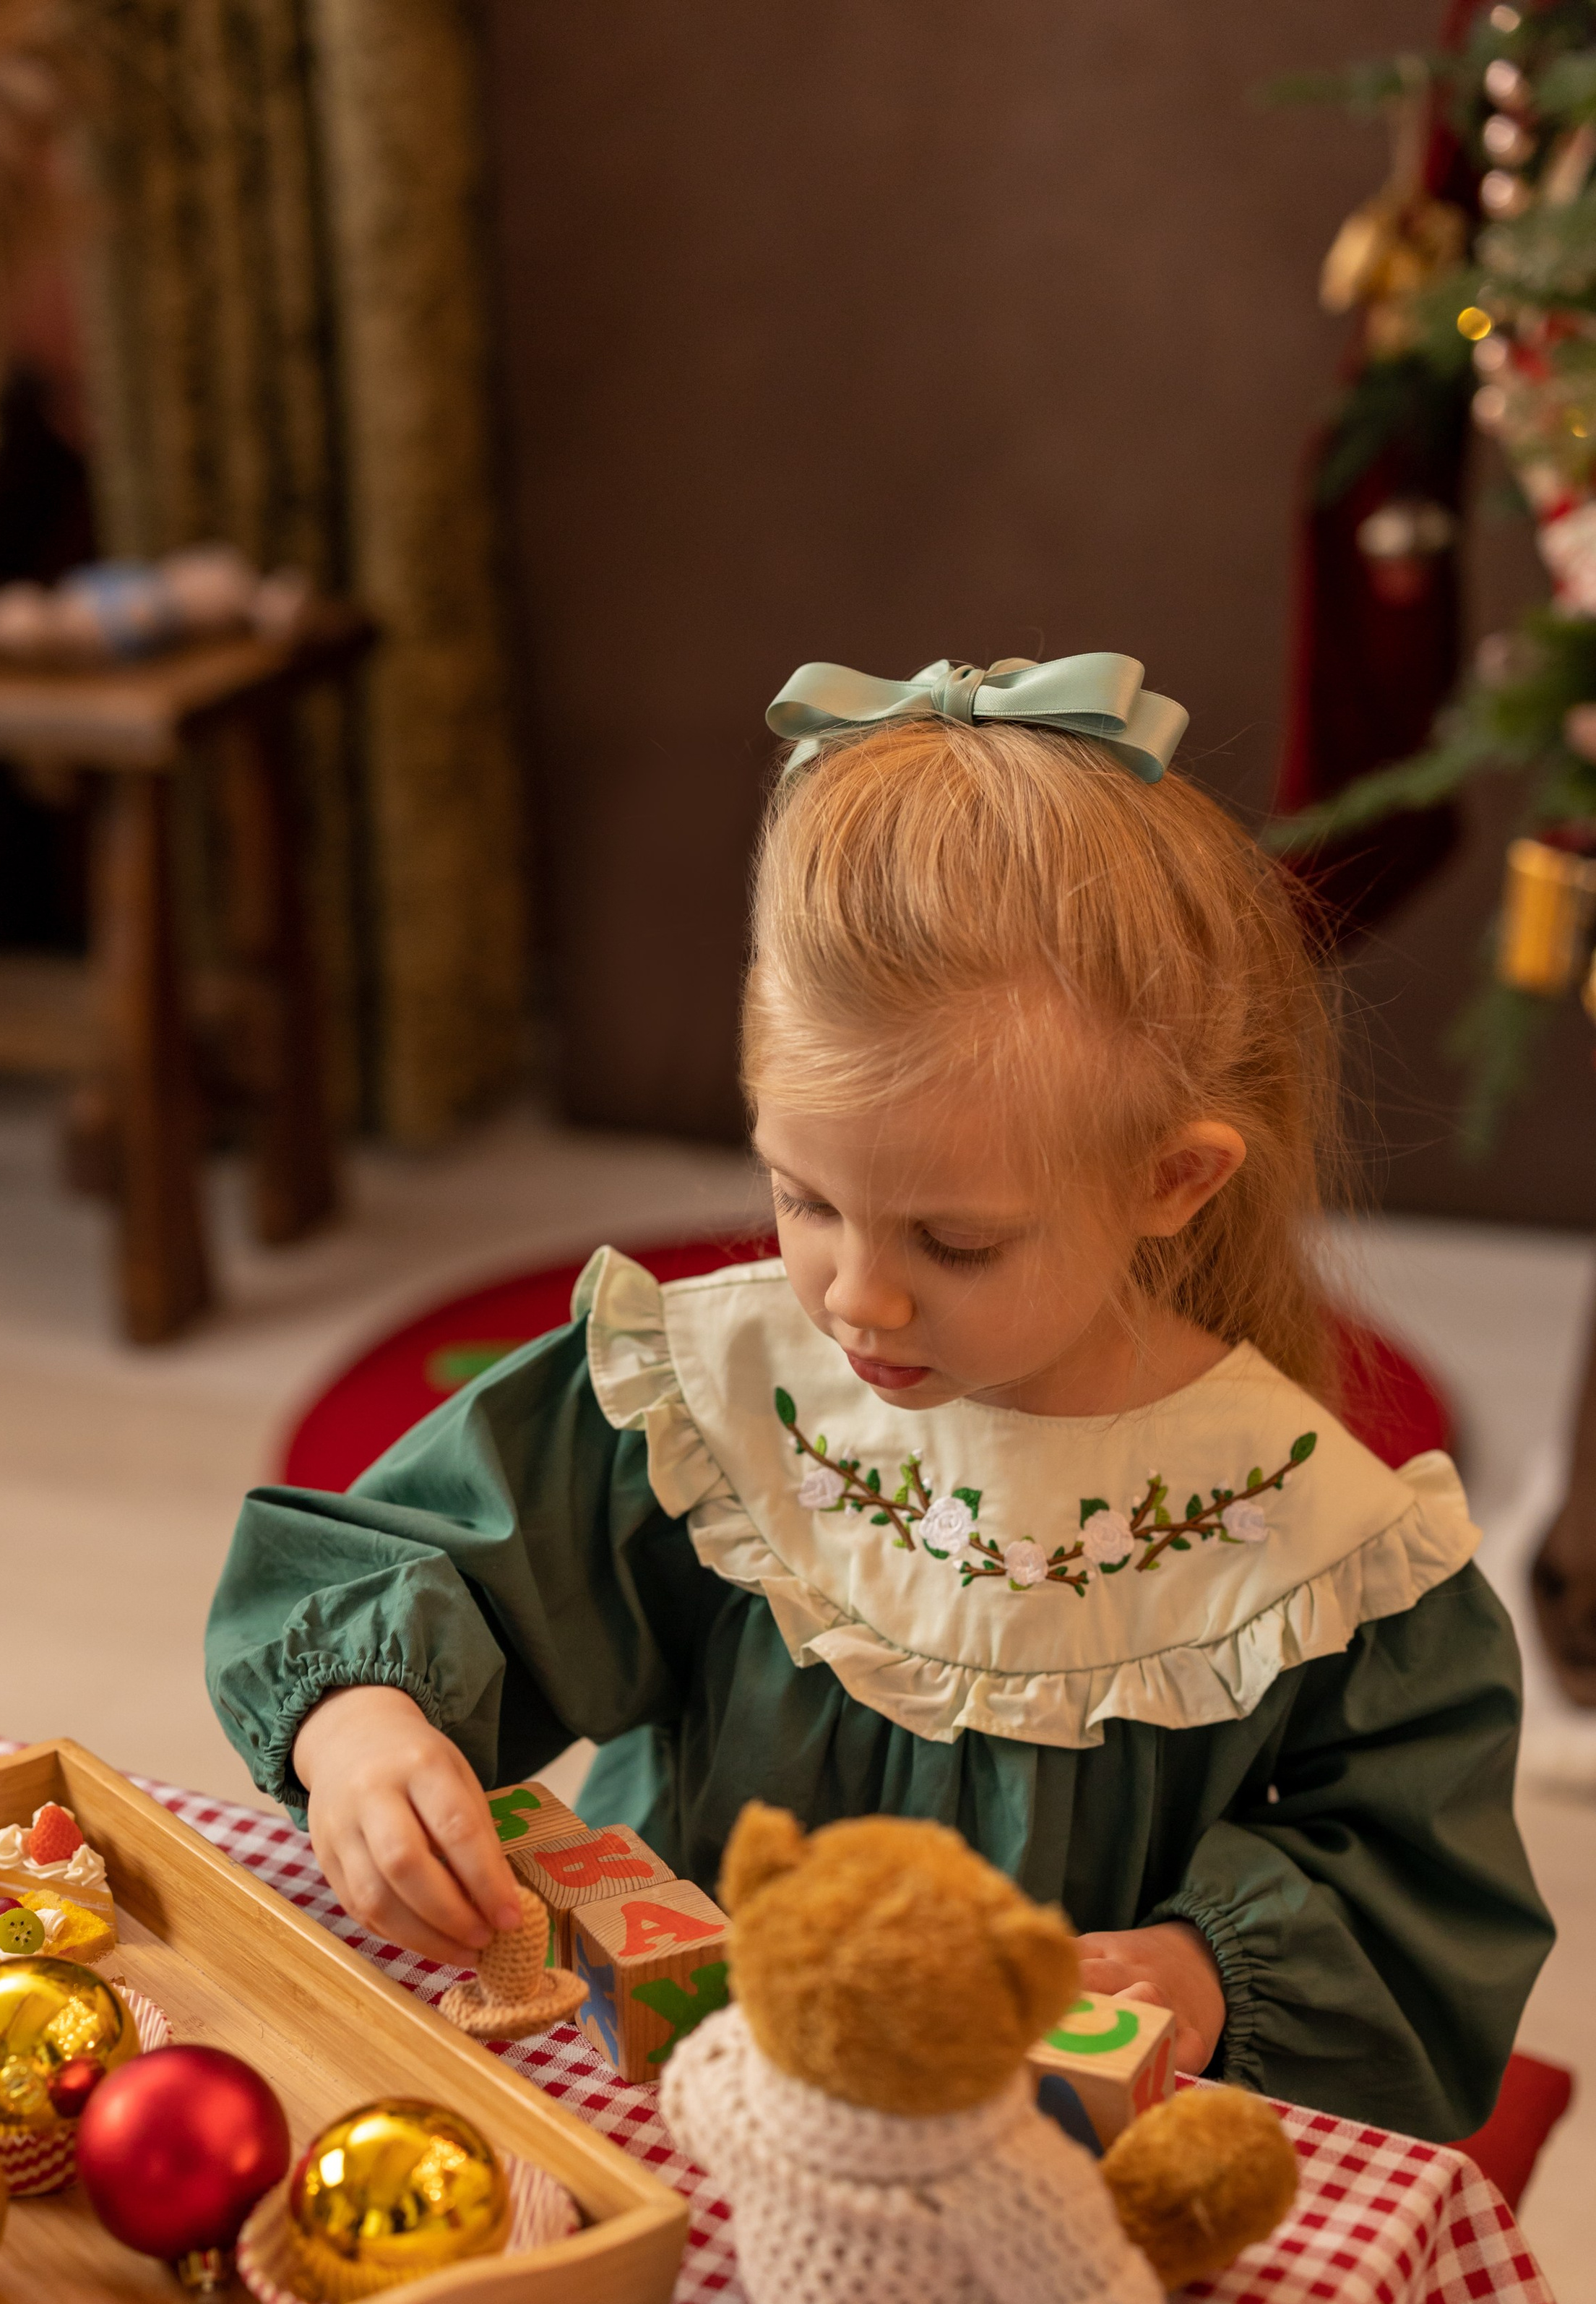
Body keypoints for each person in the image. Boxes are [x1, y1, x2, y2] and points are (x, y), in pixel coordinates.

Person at [206, 651, 1552, 2138]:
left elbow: (1420, 1902)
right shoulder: (706, 1396)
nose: (856, 1296)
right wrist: (365, 1727)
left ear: (1171, 1180)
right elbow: (417, 1563)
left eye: (953, 1242)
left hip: (1033, 2179)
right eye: (804, 1197)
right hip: (678, 2106)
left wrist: (1202, 1966)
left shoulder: (1321, 1545)